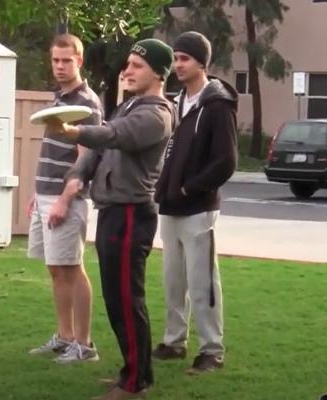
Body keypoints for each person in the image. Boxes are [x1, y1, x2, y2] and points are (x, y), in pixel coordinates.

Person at [47, 38, 175, 400]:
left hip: (132, 214)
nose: (127, 70)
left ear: (158, 73)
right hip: (113, 213)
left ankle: (134, 385)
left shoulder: (157, 113)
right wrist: (77, 173)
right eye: (128, 63)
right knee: (116, 300)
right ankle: (134, 373)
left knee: (127, 300)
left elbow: (115, 135)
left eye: (137, 65)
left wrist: (75, 131)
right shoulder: (131, 105)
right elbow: (99, 149)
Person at [152, 31, 238, 375]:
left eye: (184, 58)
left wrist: (191, 188)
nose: (177, 65)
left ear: (202, 62)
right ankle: (174, 342)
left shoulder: (217, 105)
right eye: (175, 58)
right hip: (170, 206)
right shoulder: (176, 103)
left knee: (202, 282)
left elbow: (226, 161)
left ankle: (211, 350)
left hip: (198, 207)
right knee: (173, 280)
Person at [27, 33, 103, 363]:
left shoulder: (87, 103)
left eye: (66, 60)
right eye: (55, 60)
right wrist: (40, 194)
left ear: (79, 61)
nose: (59, 66)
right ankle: (64, 337)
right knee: (56, 270)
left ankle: (85, 346)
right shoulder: (59, 98)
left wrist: (63, 198)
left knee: (73, 269)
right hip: (44, 195)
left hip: (66, 198)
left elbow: (86, 158)